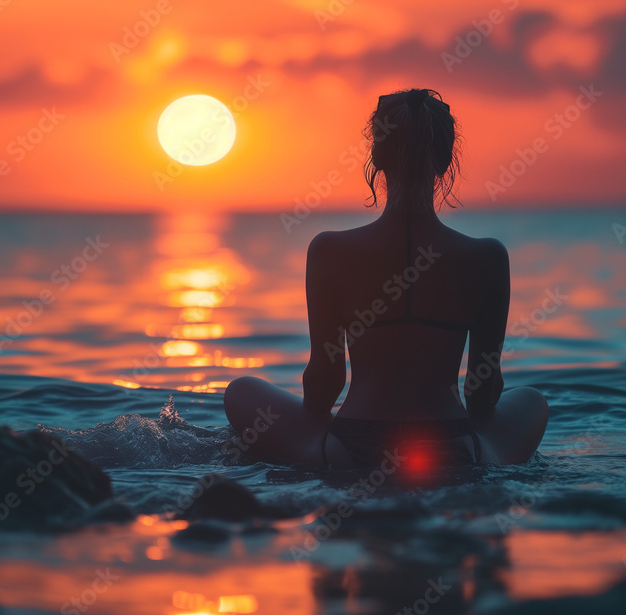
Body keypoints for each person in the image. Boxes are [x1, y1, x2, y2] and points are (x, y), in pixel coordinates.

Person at [224, 88, 548, 470]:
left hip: (349, 450)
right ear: (445, 161)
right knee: (532, 401)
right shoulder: (487, 257)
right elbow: (481, 395)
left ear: (376, 156)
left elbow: (323, 388)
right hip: (455, 449)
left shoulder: (329, 251)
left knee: (240, 391)